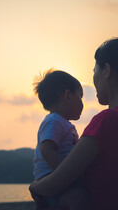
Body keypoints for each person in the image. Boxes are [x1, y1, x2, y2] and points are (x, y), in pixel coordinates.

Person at [30, 37, 118, 210]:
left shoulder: (107, 120)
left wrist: (34, 187)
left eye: (94, 71)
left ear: (106, 70)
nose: (93, 79)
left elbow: (57, 182)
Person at [32, 69, 90, 210]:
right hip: (52, 176)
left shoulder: (63, 123)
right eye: (80, 97)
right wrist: (66, 173)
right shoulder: (54, 121)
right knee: (78, 199)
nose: (83, 103)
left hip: (58, 177)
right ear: (68, 95)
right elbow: (47, 150)